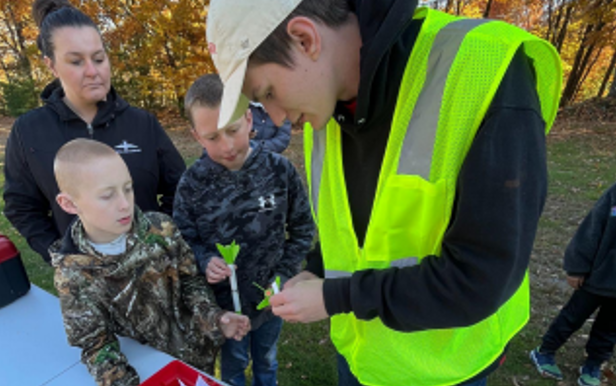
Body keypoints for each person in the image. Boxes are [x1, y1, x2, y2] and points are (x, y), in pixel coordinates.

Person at [205, 0, 562, 385]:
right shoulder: (323, 111)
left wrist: (334, 297)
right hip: (361, 359)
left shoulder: (484, 69)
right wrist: (317, 270)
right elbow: (365, 232)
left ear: (305, 39)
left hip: (444, 371)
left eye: (269, 92)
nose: (275, 119)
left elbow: (481, 277)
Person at [50, 138, 250, 386]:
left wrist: (214, 318)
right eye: (107, 196)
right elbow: (94, 343)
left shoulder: (161, 229)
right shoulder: (72, 273)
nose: (125, 204)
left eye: (128, 188)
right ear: (69, 203)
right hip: (147, 373)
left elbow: (191, 282)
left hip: (196, 358)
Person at [3, 0, 186, 264]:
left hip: (152, 271)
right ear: (51, 66)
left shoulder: (141, 123)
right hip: (85, 283)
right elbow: (21, 206)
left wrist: (157, 239)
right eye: (76, 61)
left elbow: (180, 189)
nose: (93, 71)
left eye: (99, 58)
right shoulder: (28, 132)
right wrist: (60, 254)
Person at [173, 74, 315, 386]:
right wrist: (204, 259)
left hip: (270, 300)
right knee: (234, 367)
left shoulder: (280, 171)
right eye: (212, 138)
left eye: (233, 130)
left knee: (266, 362)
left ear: (249, 119)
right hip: (223, 309)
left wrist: (284, 273)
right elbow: (183, 240)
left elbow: (303, 228)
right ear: (196, 136)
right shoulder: (192, 185)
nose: (226, 146)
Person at [529, 184, 616, 386]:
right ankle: (545, 351)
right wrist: (577, 267)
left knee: (609, 329)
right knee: (572, 317)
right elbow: (591, 229)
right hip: (596, 277)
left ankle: (593, 363)